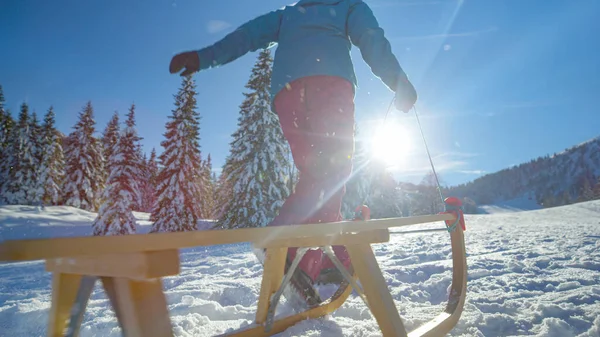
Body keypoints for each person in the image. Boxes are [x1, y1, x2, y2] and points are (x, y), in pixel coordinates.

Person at [169, 0, 417, 296]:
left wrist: (203, 57)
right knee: (334, 171)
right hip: (330, 84)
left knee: (317, 177)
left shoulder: (288, 16)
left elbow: (247, 36)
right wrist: (398, 81)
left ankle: (326, 257)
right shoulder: (349, 6)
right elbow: (372, 39)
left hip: (288, 93)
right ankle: (285, 244)